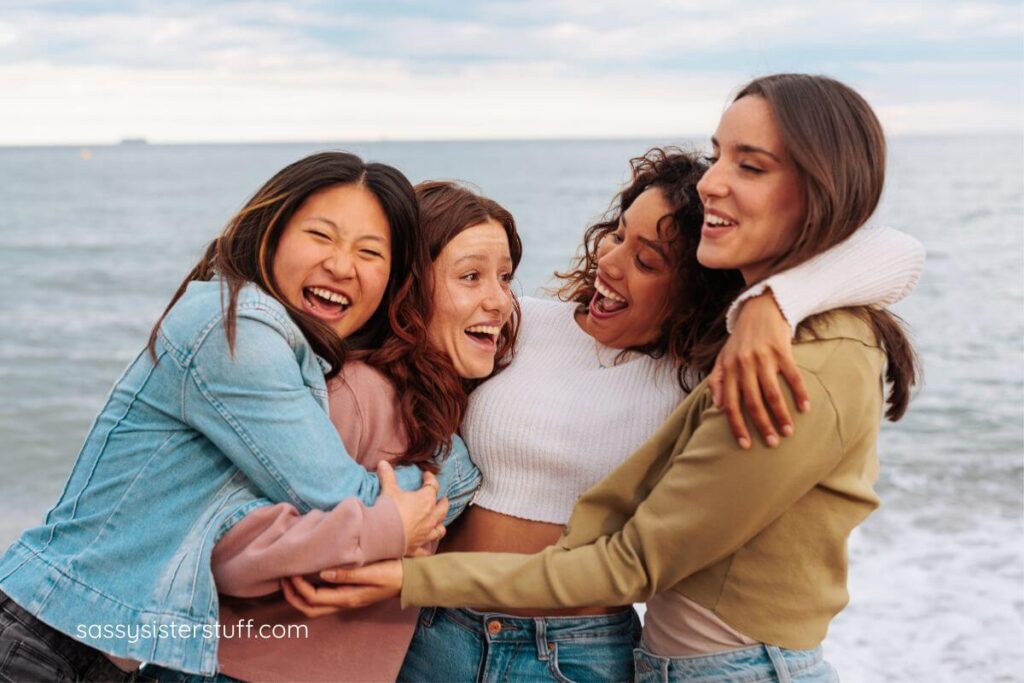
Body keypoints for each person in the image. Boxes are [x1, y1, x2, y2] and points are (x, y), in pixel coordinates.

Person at [285, 101, 926, 683]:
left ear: (701, 285)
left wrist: (772, 303)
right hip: (433, 632)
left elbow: (897, 253)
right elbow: (401, 295)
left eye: (648, 261)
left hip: (579, 655)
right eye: (619, 233)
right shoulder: (519, 322)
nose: (611, 262)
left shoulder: (718, 376)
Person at [0, 152, 470, 680]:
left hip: (99, 649)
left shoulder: (300, 357)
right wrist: (439, 483)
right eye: (321, 236)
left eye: (369, 252)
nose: (342, 265)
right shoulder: (236, 329)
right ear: (270, 233)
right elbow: (341, 498)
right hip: (43, 637)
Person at [143, 180, 521, 683]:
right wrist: (382, 542)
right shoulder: (356, 393)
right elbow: (224, 549)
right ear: (407, 290)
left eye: (506, 278)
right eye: (470, 277)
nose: (499, 301)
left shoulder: (431, 406)